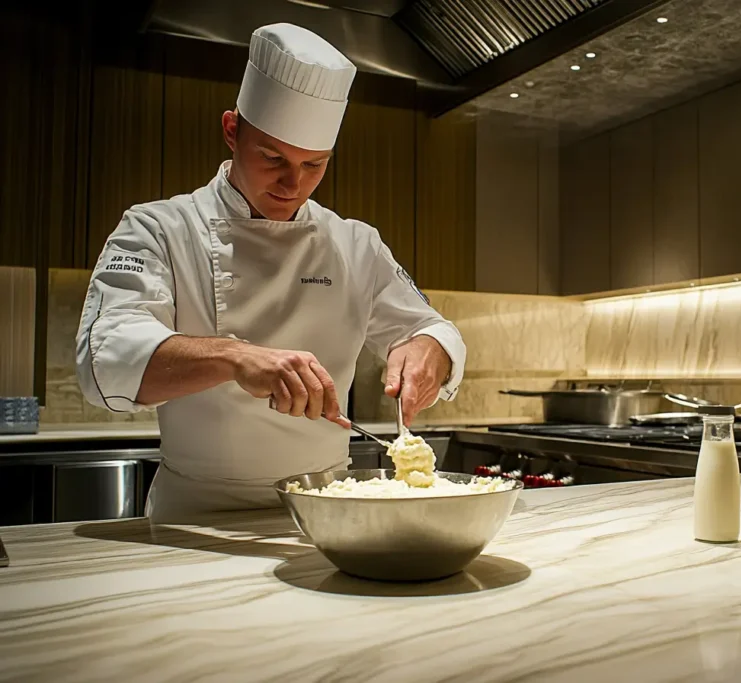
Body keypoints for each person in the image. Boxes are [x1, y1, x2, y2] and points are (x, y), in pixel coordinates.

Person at [75, 23, 465, 523]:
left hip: (327, 509)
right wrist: (235, 356)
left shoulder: (353, 242)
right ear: (232, 130)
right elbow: (103, 358)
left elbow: (428, 327)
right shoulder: (159, 228)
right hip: (197, 516)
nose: (293, 183)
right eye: (273, 158)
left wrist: (430, 349)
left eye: (314, 164)